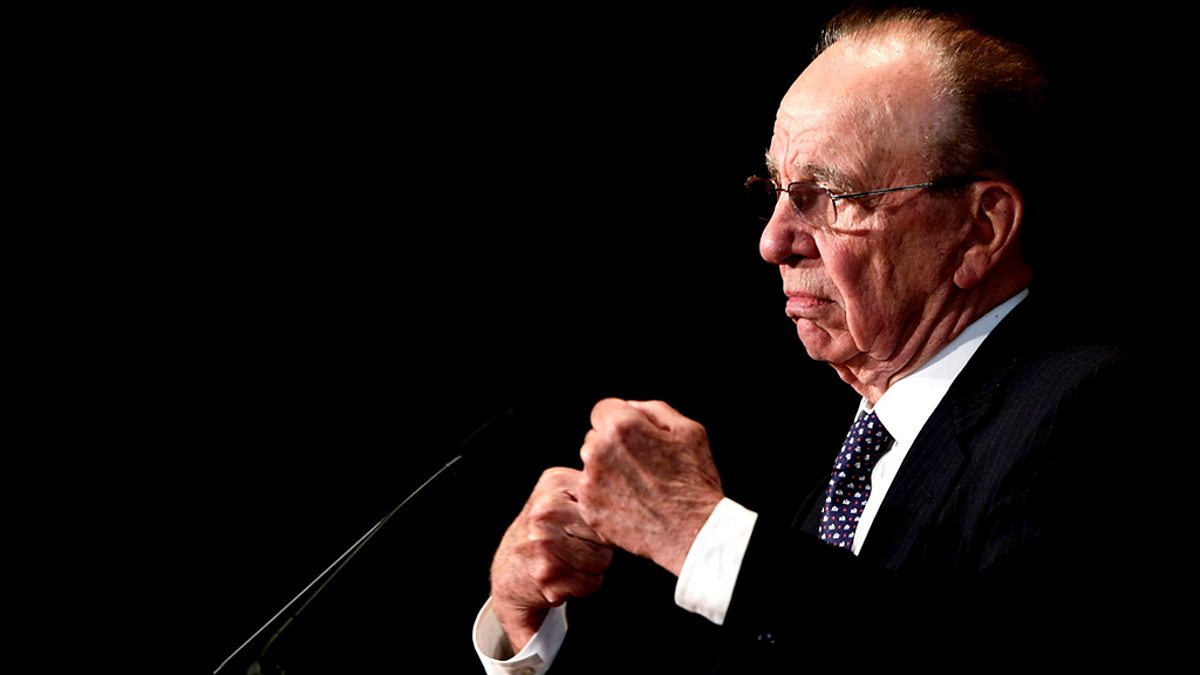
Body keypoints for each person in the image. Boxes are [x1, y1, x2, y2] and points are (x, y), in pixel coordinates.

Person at [473, 6, 1162, 673]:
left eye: (830, 195)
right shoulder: (841, 466)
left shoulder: (1094, 408)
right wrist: (526, 625)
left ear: (980, 229)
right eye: (775, 192)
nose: (773, 242)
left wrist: (697, 533)